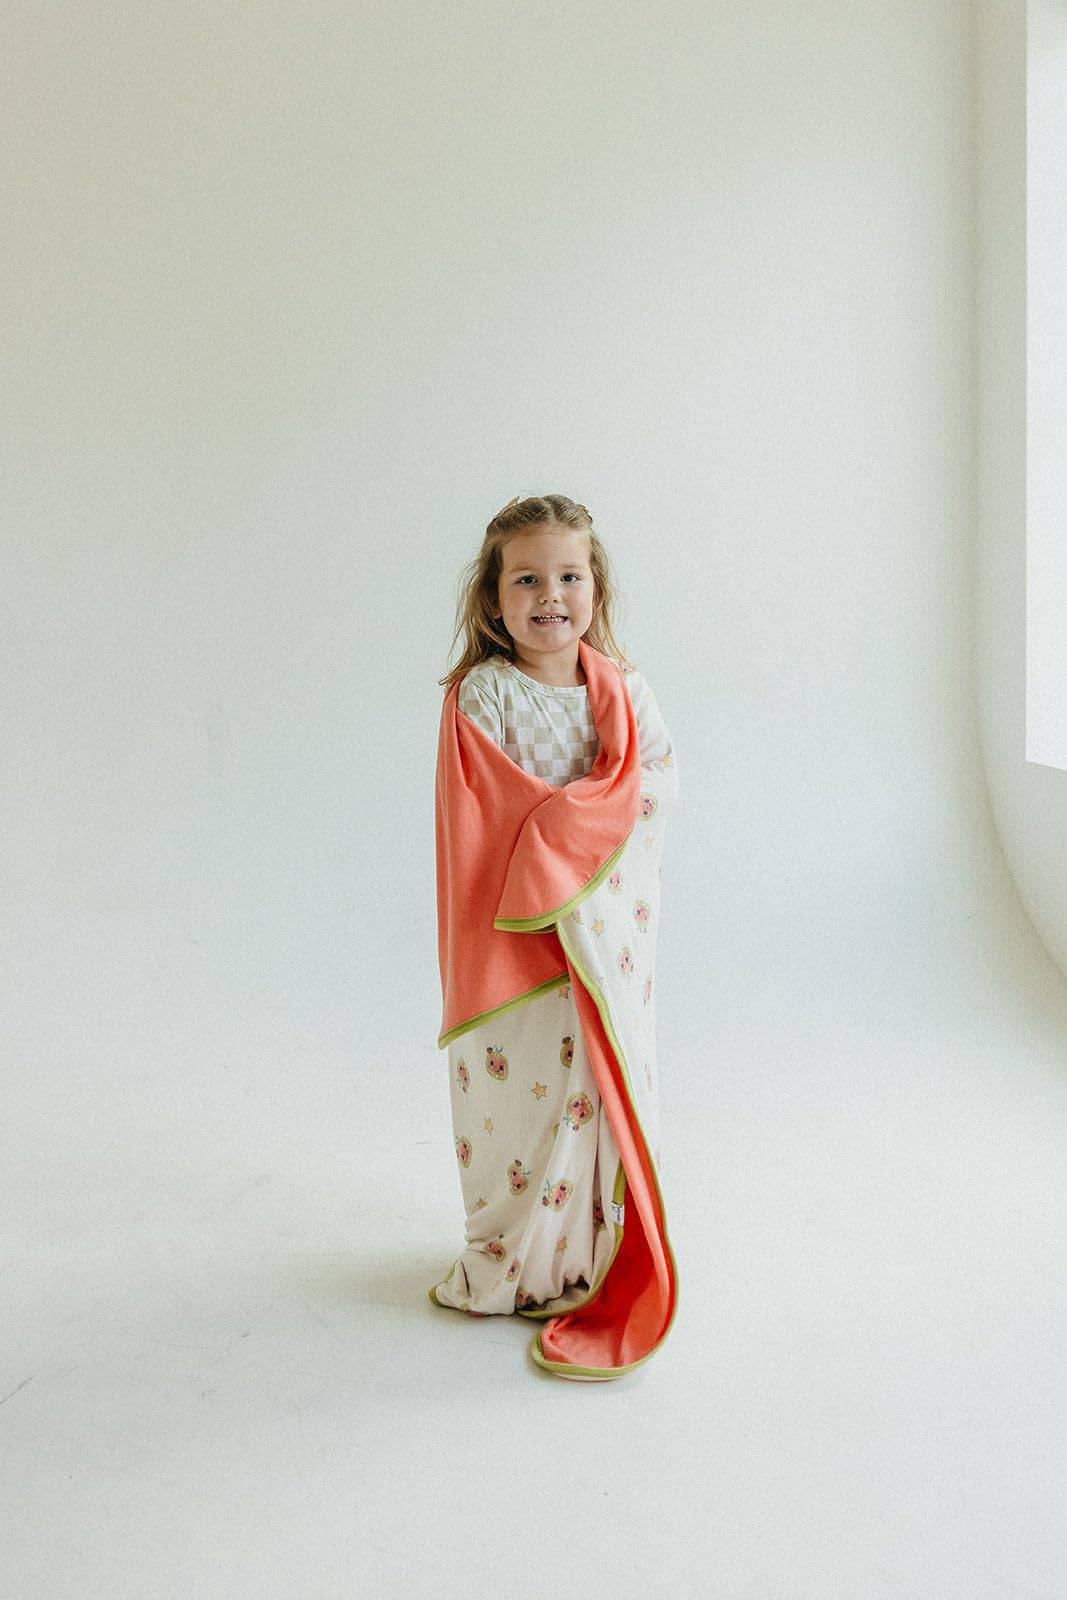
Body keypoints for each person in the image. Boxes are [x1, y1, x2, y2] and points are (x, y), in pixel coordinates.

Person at [429, 493, 680, 1377]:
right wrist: (575, 825)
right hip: (522, 948)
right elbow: (484, 815)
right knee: (526, 1096)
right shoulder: (483, 695)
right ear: (493, 600)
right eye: (526, 579)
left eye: (568, 576)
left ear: (594, 587)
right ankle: (516, 1263)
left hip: (602, 943)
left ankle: (584, 1259)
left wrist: (576, 831)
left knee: (596, 1091)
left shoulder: (624, 689)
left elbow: (654, 779)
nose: (550, 596)